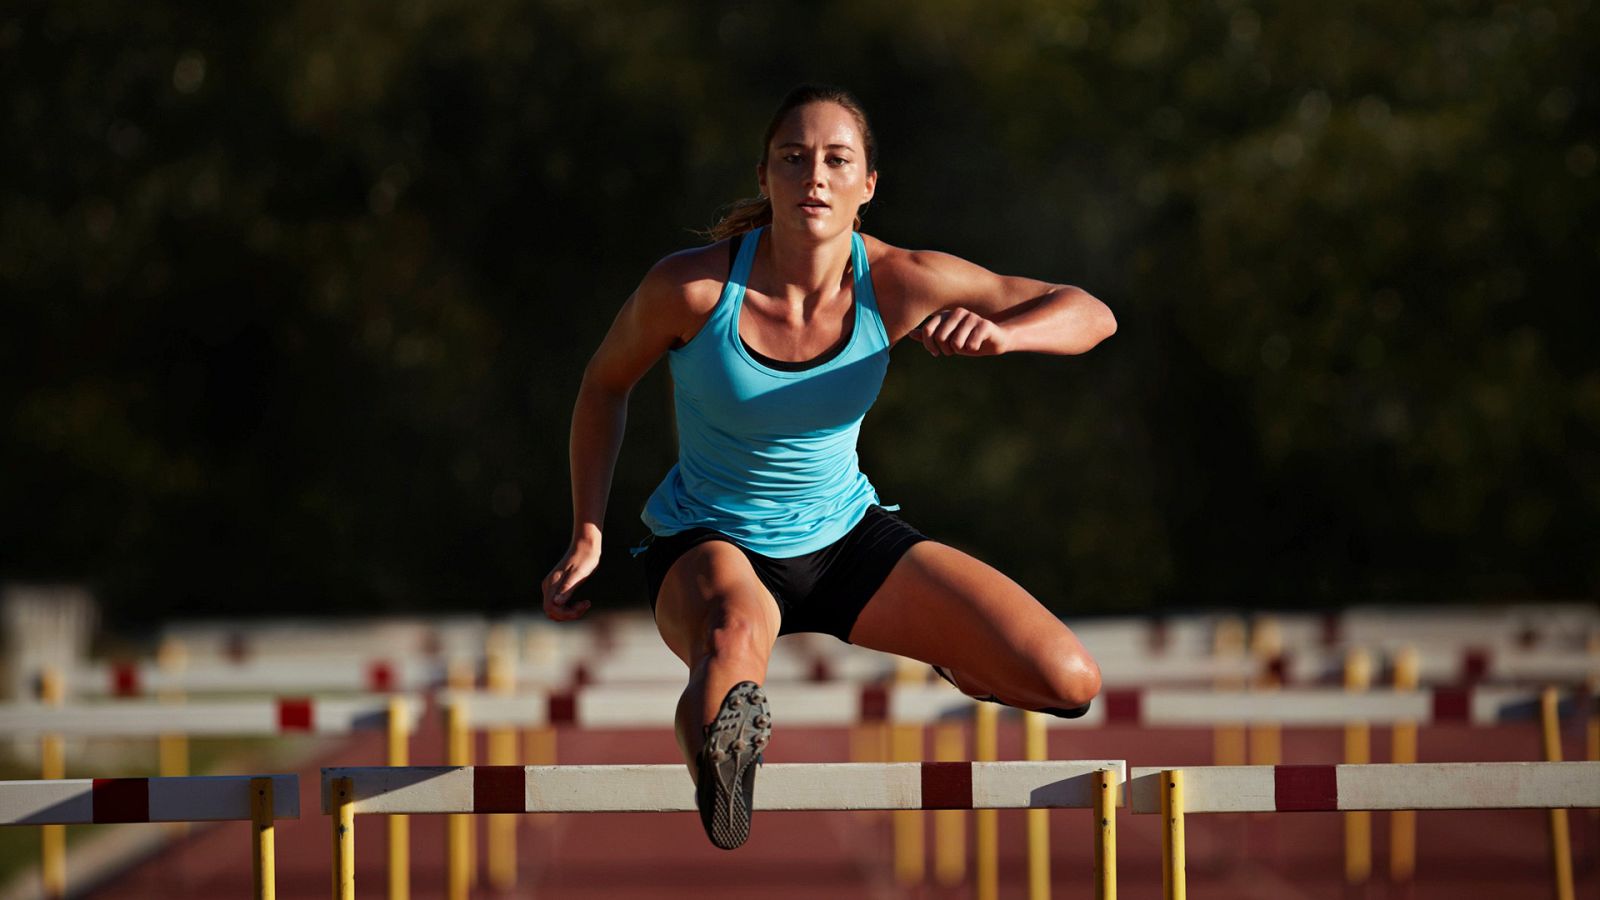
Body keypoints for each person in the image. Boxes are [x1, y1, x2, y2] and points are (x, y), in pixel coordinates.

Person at [541, 84, 1114, 850]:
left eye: (836, 160)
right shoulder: (692, 287)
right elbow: (604, 384)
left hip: (846, 539)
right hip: (709, 540)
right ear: (765, 176)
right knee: (732, 633)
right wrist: (588, 530)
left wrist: (1009, 337)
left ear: (867, 186)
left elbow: (1089, 311)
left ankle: (954, 657)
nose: (814, 176)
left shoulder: (902, 280)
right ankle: (722, 759)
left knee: (1069, 681)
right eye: (794, 158)